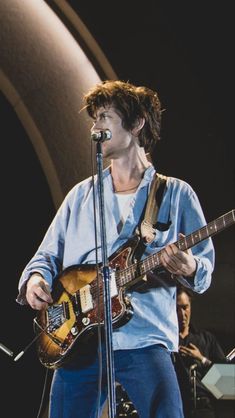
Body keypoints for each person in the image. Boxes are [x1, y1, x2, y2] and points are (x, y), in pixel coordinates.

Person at [17, 80, 215, 418]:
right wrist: (36, 279)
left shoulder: (176, 194)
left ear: (136, 124)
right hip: (79, 342)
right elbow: (46, 255)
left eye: (105, 117)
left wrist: (189, 266)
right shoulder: (81, 195)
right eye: (94, 119)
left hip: (143, 339)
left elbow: (205, 269)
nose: (95, 127)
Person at [174, 285, 226, 418]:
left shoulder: (207, 339)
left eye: (185, 307)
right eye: (177, 309)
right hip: (176, 407)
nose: (182, 314)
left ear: (190, 306)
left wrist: (202, 359)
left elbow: (227, 384)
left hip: (204, 409)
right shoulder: (166, 341)